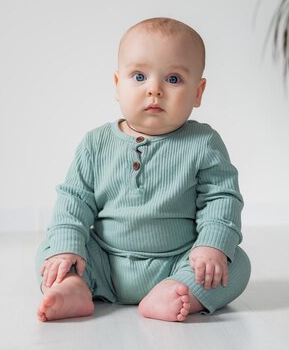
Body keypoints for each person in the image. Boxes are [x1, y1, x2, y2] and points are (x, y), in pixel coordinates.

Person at [35, 17, 251, 322]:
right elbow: (73, 201)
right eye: (139, 76)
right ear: (117, 85)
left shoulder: (204, 143)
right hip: (104, 262)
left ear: (198, 92)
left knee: (236, 263)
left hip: (179, 260)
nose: (155, 90)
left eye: (173, 79)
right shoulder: (95, 143)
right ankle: (75, 286)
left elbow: (222, 198)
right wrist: (66, 249)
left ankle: (177, 291)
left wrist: (211, 245)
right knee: (51, 250)